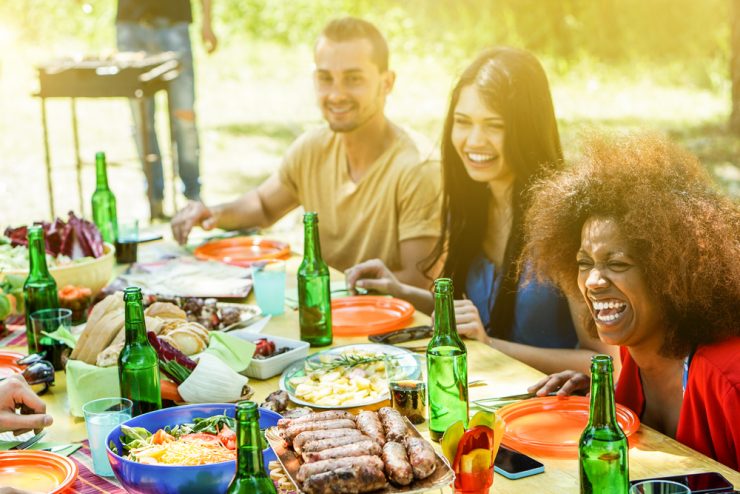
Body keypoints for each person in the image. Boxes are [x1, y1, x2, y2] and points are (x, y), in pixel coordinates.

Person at [346, 47, 612, 374]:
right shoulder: (472, 202)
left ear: (525, 129)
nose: (474, 140)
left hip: (550, 411)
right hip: (486, 395)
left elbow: (603, 361)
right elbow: (471, 319)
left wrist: (490, 345)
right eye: (463, 122)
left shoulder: (566, 219)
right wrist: (401, 293)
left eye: (493, 125)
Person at [523, 133, 740, 470]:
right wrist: (603, 400)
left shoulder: (728, 376)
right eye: (584, 263)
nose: (593, 281)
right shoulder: (634, 350)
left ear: (670, 273)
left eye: (618, 264)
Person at [171, 17, 441, 288]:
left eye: (353, 79)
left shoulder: (418, 167)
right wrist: (212, 213)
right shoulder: (312, 147)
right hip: (324, 314)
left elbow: (420, 283)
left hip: (393, 326)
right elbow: (263, 207)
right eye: (325, 79)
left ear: (387, 83)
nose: (336, 94)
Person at [116, 0, 217, 219]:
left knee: (184, 118)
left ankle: (193, 197)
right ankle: (155, 199)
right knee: (142, 123)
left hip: (174, 25)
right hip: (131, 27)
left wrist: (207, 21)